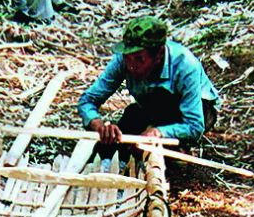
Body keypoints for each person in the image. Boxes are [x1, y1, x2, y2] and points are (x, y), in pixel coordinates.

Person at [77, 17, 221, 148]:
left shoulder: (185, 66)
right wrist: (99, 125)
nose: (131, 66)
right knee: (127, 125)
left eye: (139, 59)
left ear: (158, 55)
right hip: (154, 107)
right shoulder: (123, 60)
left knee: (161, 148)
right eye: (128, 58)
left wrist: (158, 132)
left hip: (195, 109)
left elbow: (194, 126)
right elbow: (87, 100)